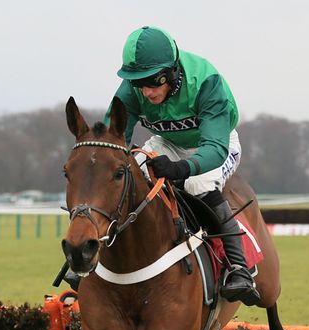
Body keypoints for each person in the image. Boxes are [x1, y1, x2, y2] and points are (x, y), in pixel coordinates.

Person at [102, 25, 258, 306]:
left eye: (153, 81)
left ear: (172, 71)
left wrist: (182, 169)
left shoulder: (206, 81)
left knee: (198, 182)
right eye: (139, 84)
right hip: (168, 142)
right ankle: (102, 255)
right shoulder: (131, 89)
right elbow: (114, 142)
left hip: (216, 144)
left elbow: (215, 148)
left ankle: (239, 269)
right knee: (132, 172)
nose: (146, 92)